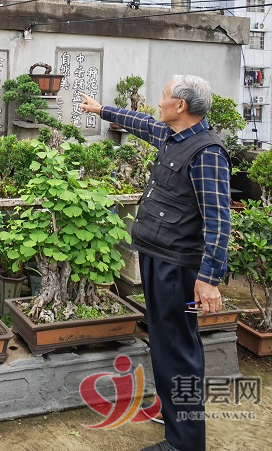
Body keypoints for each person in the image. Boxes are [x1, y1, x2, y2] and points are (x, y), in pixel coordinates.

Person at [80, 75, 231, 451]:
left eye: (163, 97)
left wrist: (209, 278)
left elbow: (218, 220)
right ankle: (171, 409)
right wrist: (101, 110)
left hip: (177, 266)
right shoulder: (172, 135)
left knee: (178, 347)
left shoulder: (206, 152)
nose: (158, 102)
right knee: (164, 342)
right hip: (156, 254)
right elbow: (141, 122)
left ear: (181, 106)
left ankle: (184, 442)